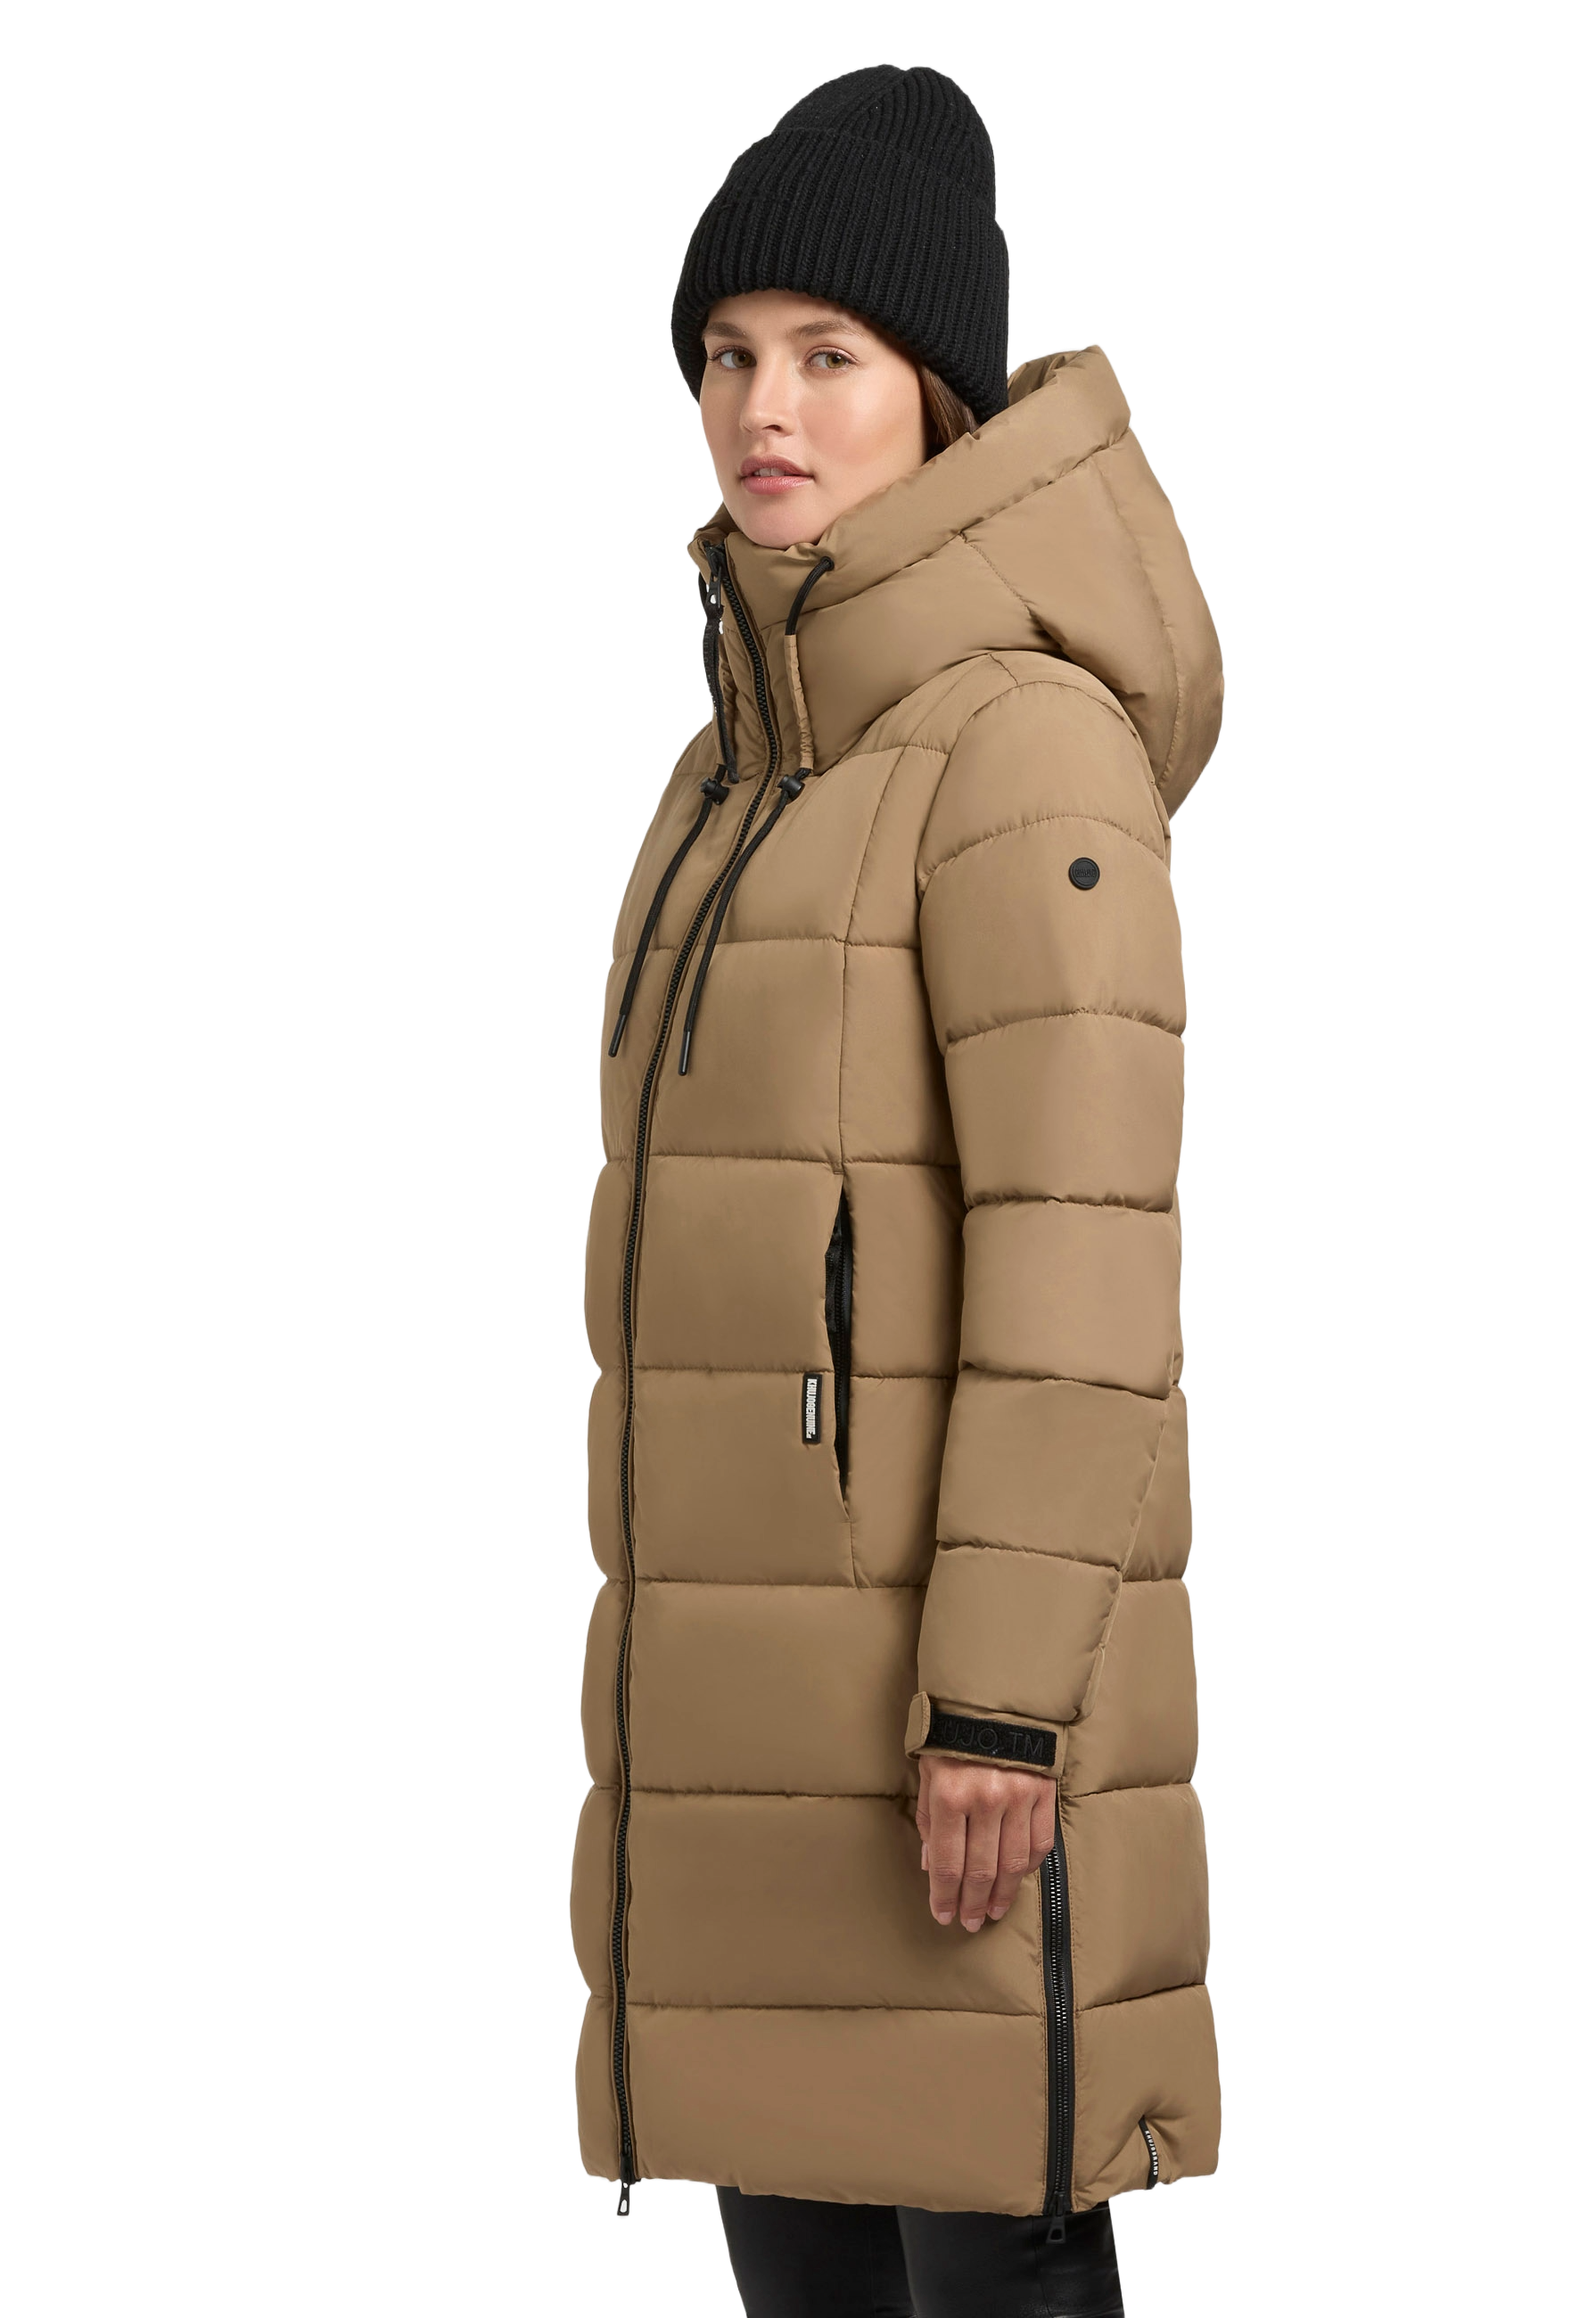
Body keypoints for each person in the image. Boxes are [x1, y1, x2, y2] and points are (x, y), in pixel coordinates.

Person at [573, 62, 1223, 2318]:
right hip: (748, 1752)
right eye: (729, 352)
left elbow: (1083, 1260)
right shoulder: (727, 774)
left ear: (935, 395)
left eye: (829, 355)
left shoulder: (1022, 747)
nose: (767, 408)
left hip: (950, 1746)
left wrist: (1004, 1706)